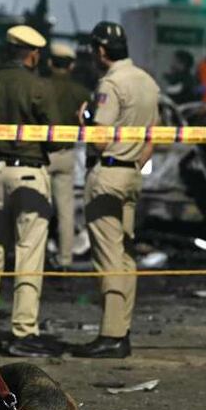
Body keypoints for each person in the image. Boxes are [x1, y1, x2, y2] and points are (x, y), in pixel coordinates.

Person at [70, 21, 159, 359]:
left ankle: (111, 334)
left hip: (107, 175)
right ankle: (122, 330)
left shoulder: (111, 83)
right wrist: (136, 166)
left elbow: (101, 136)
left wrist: (85, 121)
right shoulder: (148, 82)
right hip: (132, 175)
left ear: (101, 51)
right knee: (125, 256)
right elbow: (154, 137)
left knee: (108, 258)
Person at [0, 25, 63, 358]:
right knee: (29, 252)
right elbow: (55, 137)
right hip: (28, 172)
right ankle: (23, 329)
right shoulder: (39, 86)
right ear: (34, 54)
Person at [46, 41, 92, 270]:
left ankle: (39, 256)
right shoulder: (80, 92)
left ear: (49, 63)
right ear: (71, 65)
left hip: (41, 155)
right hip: (67, 154)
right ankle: (65, 259)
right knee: (66, 211)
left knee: (39, 210)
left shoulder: (40, 87)